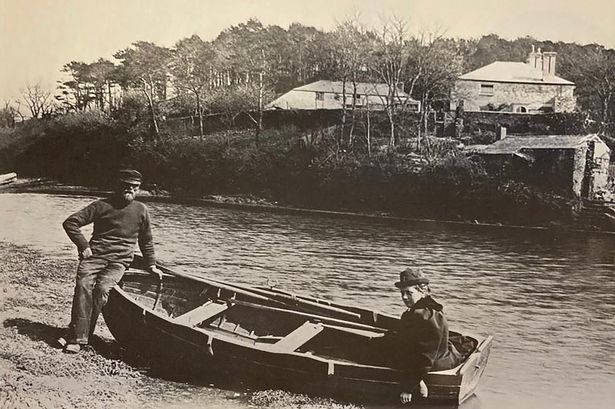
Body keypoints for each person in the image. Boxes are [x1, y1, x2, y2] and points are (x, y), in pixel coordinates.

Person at [59, 169, 163, 353]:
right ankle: (78, 337)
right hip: (95, 256)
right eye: (126, 186)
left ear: (139, 188)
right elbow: (71, 223)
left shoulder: (141, 210)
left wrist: (152, 265)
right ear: (118, 186)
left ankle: (77, 334)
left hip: (120, 261)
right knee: (83, 285)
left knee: (101, 290)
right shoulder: (101, 205)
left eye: (135, 187)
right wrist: (83, 246)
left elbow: (146, 240)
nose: (130, 190)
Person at [393, 267, 463, 405]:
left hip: (432, 362)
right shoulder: (424, 310)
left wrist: (411, 385)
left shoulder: (424, 316)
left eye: (409, 293)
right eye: (402, 293)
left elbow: (425, 356)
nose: (404, 297)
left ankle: (420, 383)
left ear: (422, 291)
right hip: (434, 356)